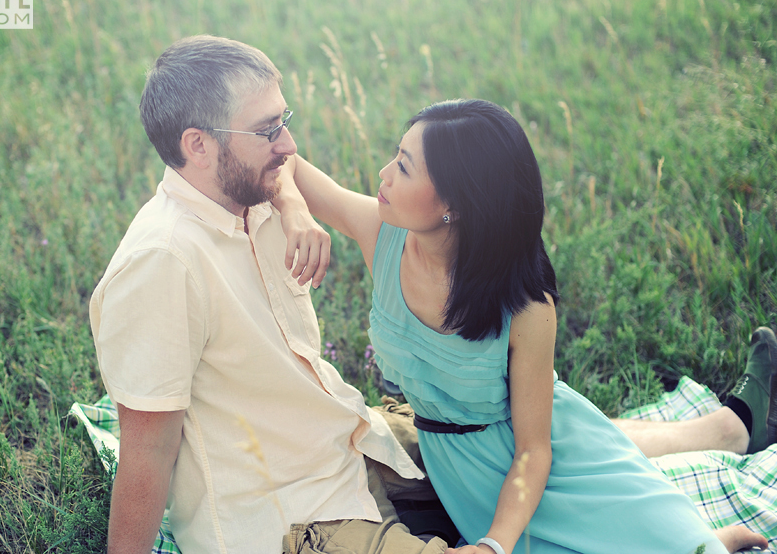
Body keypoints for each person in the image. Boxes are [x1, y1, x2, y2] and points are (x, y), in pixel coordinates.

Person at [272, 98, 772, 554]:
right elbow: (280, 156)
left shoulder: (527, 307)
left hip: (539, 467)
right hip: (463, 473)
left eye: (403, 167)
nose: (382, 174)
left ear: (456, 204)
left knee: (683, 548)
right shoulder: (379, 232)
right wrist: (294, 208)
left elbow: (534, 450)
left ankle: (700, 537)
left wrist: (494, 544)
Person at [89, 35, 453, 554]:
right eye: (266, 131)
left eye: (284, 120)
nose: (287, 144)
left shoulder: (253, 189)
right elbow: (147, 451)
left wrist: (294, 205)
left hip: (345, 445)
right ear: (198, 145)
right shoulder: (162, 264)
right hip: (281, 517)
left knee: (509, 457)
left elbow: (290, 168)